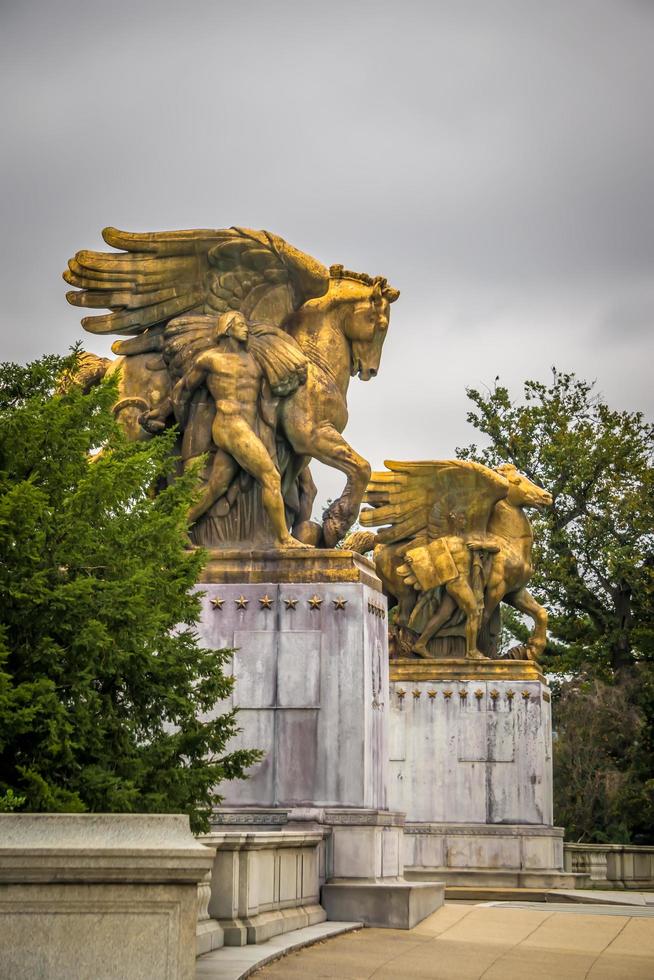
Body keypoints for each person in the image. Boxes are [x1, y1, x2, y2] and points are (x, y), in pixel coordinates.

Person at [166, 311, 309, 548]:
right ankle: (283, 538)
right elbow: (184, 388)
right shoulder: (210, 360)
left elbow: (276, 386)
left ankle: (178, 527)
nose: (246, 328)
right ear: (227, 327)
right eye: (241, 324)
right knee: (271, 476)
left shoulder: (254, 360)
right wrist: (170, 415)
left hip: (246, 428)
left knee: (216, 486)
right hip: (229, 424)